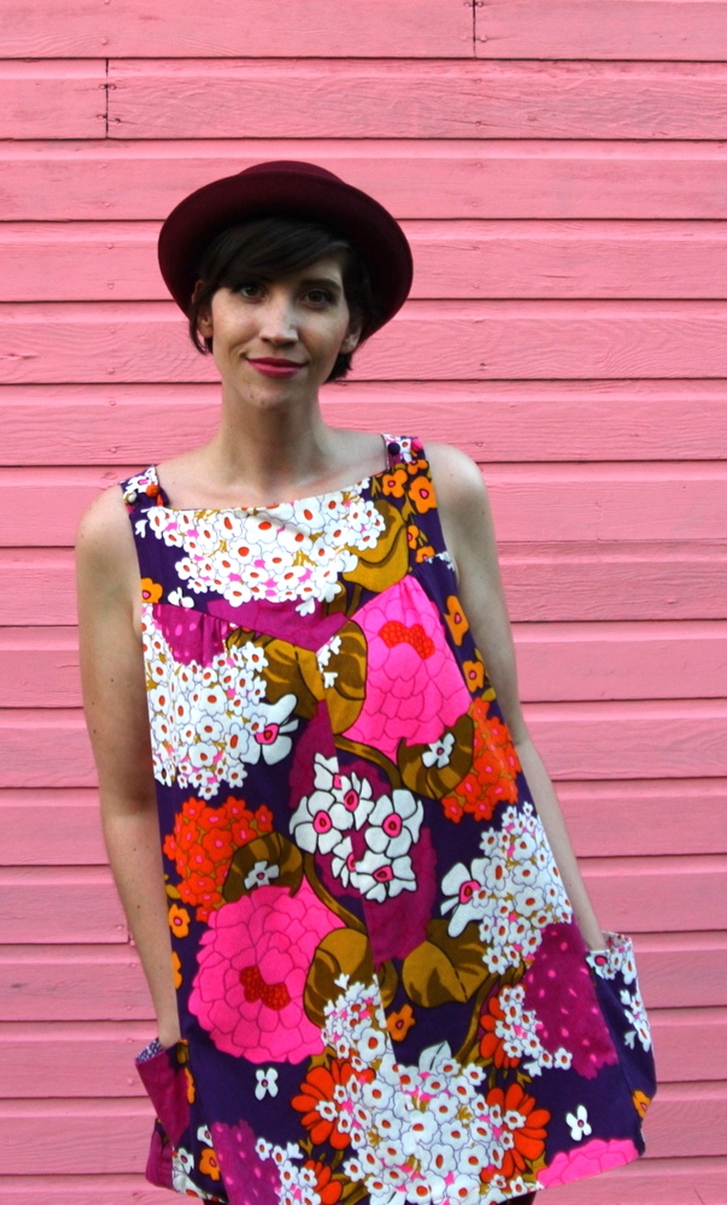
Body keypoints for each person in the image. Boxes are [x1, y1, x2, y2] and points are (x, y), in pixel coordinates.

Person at [76, 162, 655, 1205]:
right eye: (250, 290)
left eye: (315, 295)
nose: (279, 324)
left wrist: (585, 933)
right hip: (261, 1004)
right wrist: (173, 1008)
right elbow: (128, 797)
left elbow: (506, 737)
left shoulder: (434, 490)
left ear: (351, 328)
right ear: (201, 315)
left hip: (471, 976)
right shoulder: (128, 534)